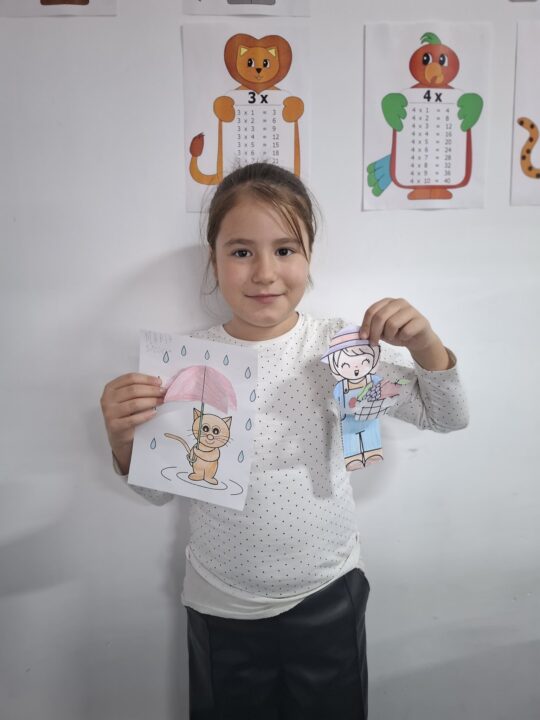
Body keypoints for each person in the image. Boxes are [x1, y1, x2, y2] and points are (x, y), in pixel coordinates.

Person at [100, 162, 469, 719]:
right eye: (241, 251)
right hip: (222, 605)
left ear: (309, 256)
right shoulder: (188, 365)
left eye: (285, 249)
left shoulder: (338, 349)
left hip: (327, 594)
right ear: (214, 261)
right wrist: (122, 438)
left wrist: (425, 344)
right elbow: (157, 491)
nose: (265, 273)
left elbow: (447, 416)